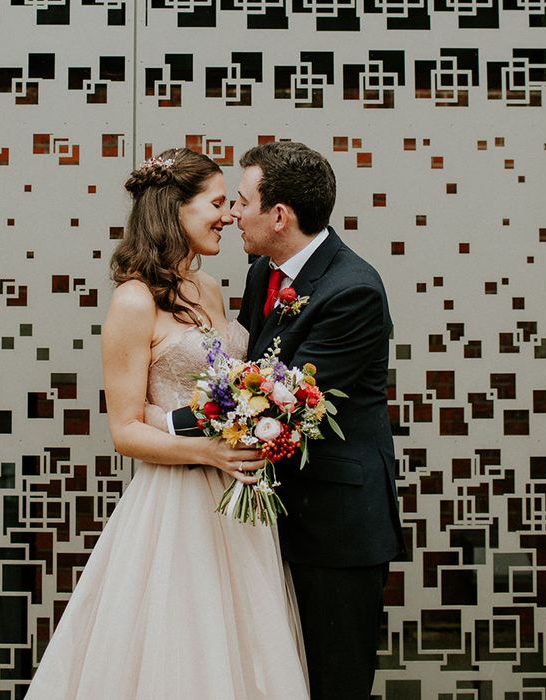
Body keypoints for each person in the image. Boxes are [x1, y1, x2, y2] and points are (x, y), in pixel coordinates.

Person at [24, 148, 310, 699]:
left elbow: (222, 390)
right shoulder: (133, 302)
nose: (228, 216)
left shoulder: (210, 289)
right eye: (218, 203)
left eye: (232, 204)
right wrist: (210, 452)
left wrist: (250, 423)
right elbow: (125, 429)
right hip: (175, 503)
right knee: (180, 645)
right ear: (175, 209)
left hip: (235, 499)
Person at [168, 141, 405, 699]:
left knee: (332, 681)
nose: (232, 215)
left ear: (280, 215)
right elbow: (243, 372)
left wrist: (158, 423)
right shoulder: (260, 274)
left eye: (242, 201)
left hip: (334, 524)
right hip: (267, 519)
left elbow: (276, 402)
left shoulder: (353, 290)